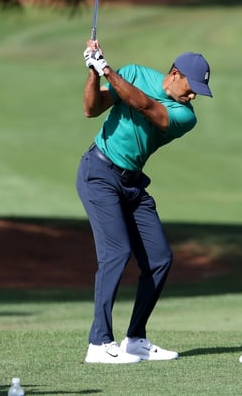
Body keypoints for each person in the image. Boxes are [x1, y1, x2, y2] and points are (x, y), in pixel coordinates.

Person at [77, 39, 213, 364]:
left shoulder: (184, 115)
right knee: (117, 252)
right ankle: (99, 344)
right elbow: (91, 108)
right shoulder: (135, 73)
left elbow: (146, 108)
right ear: (175, 74)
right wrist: (94, 72)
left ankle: (135, 339)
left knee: (159, 258)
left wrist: (106, 67)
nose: (193, 96)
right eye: (191, 87)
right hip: (99, 173)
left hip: (132, 184)